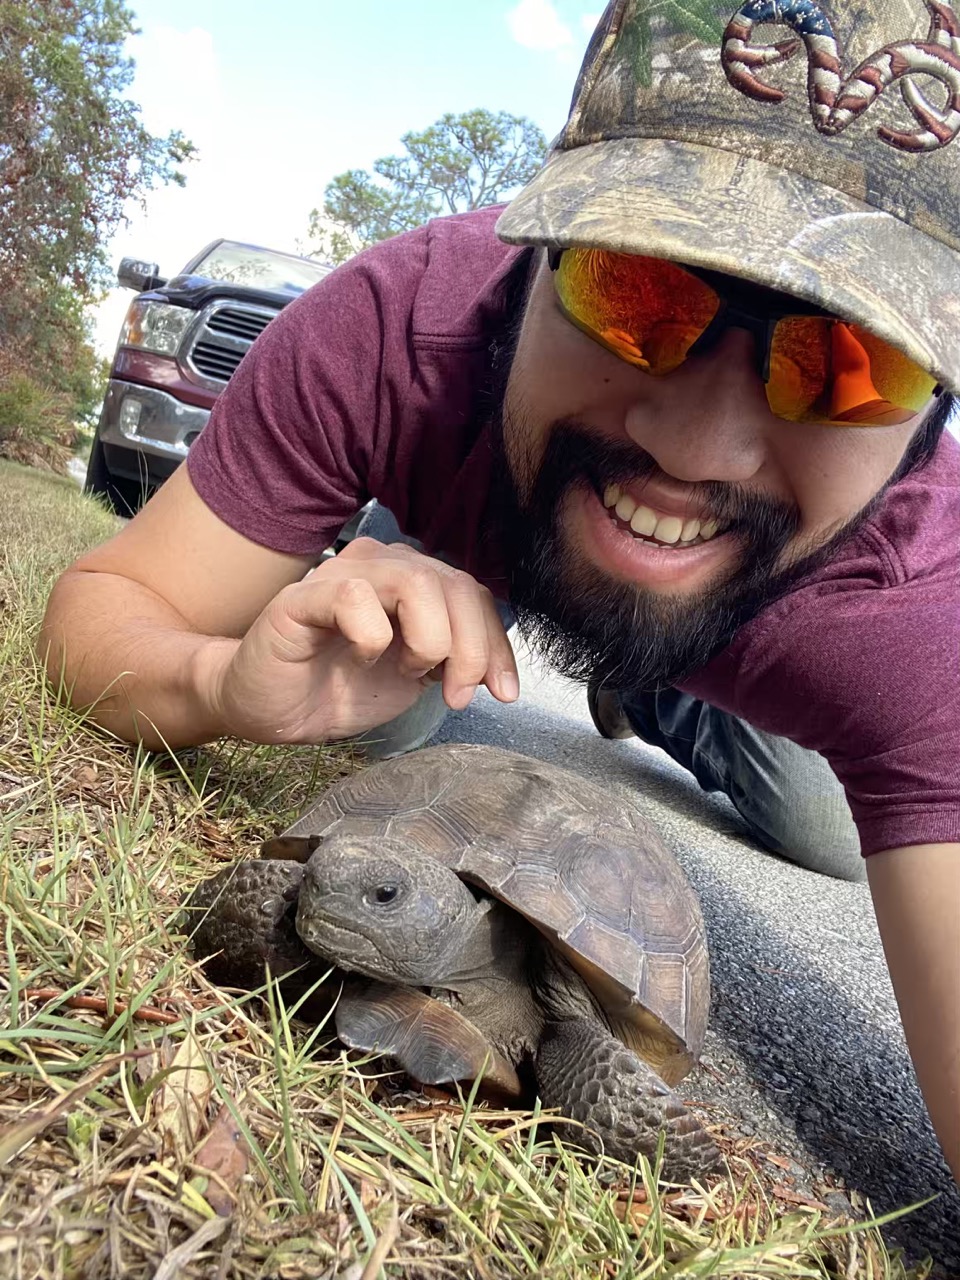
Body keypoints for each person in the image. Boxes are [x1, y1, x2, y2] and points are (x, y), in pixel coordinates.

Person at [42, 0, 959, 1182]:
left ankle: (661, 685)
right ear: (530, 261)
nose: (698, 443)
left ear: (931, 420)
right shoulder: (393, 333)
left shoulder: (912, 608)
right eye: (635, 295)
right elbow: (100, 610)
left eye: (848, 366)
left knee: (820, 831)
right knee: (390, 702)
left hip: (764, 638)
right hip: (449, 553)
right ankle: (433, 582)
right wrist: (223, 678)